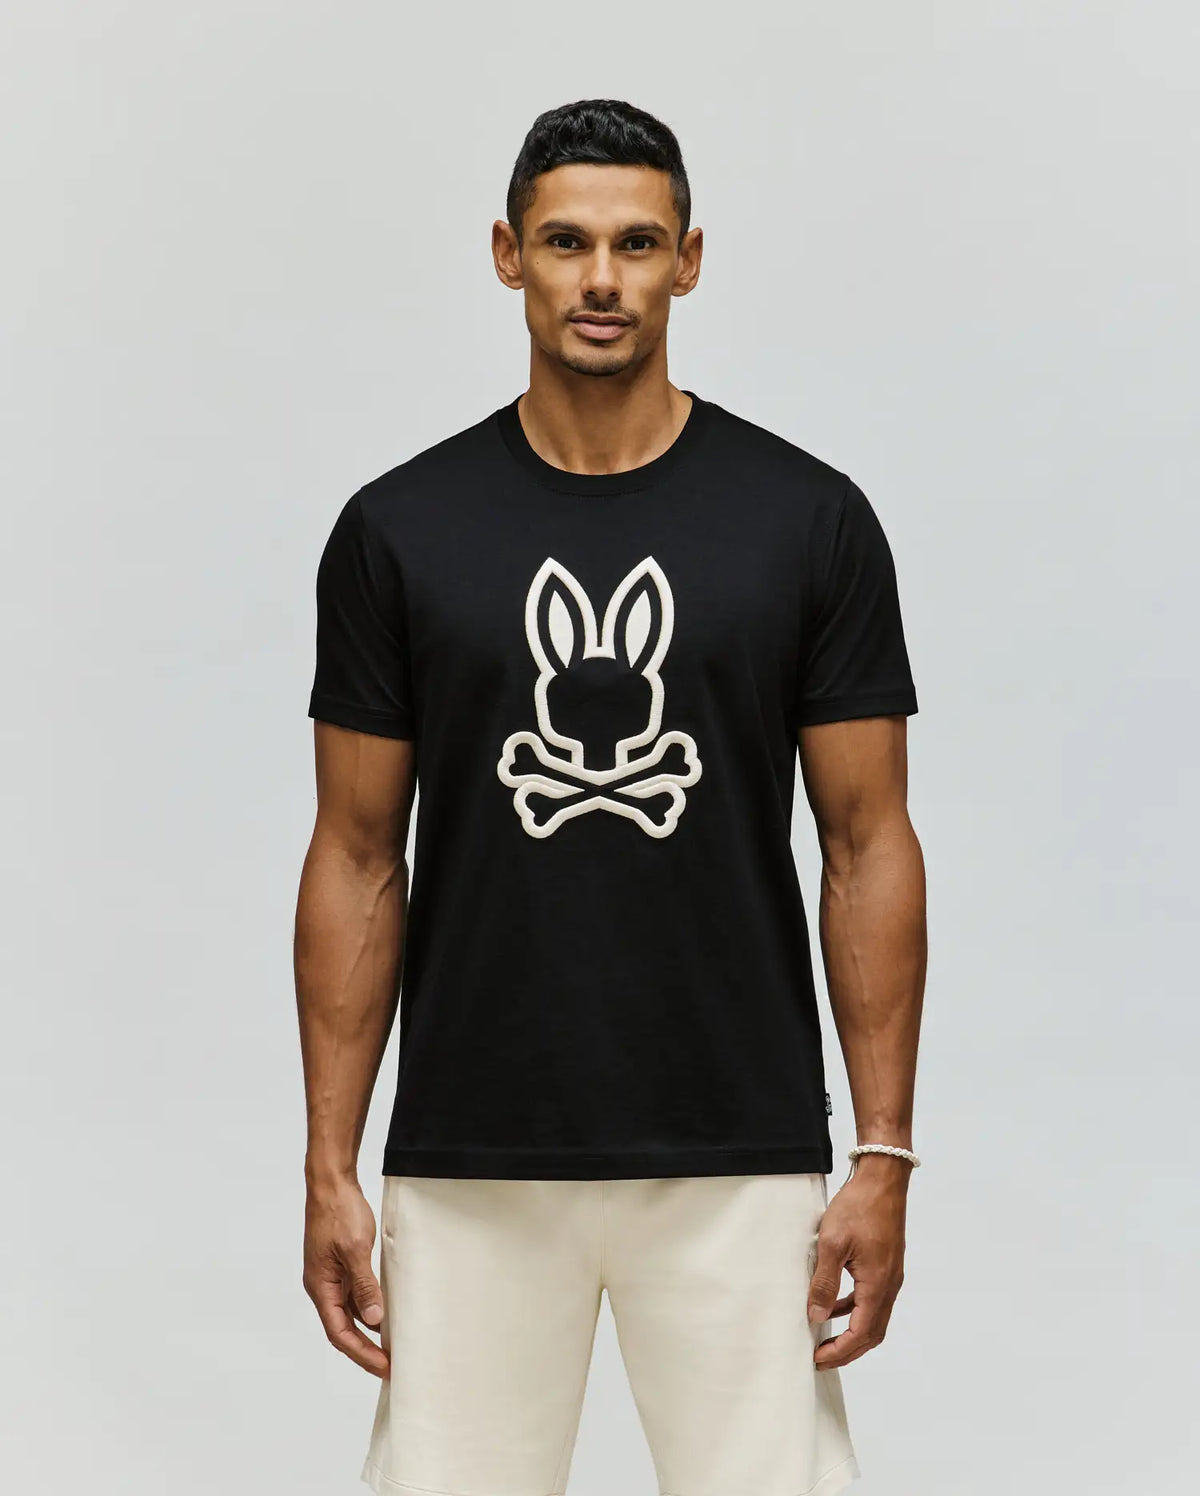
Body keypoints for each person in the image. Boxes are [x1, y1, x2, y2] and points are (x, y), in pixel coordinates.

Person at [295, 97, 927, 1496]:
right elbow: (355, 855)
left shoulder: (805, 519)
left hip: (738, 1151)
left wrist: (882, 1153)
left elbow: (868, 841)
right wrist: (329, 1163)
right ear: (507, 254)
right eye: (566, 242)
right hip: (472, 1154)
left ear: (687, 262)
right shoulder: (401, 529)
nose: (601, 278)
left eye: (637, 244)